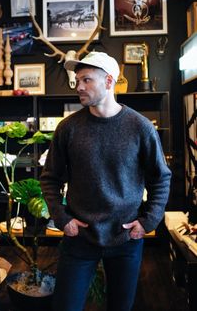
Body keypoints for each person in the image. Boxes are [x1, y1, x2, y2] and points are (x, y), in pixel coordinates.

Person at [40, 51, 172, 311]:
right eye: (77, 80)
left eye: (86, 80)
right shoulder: (68, 128)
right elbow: (50, 178)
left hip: (125, 237)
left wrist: (147, 222)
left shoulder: (140, 127)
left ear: (109, 81)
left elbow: (161, 178)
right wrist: (63, 219)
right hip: (79, 238)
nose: (78, 86)